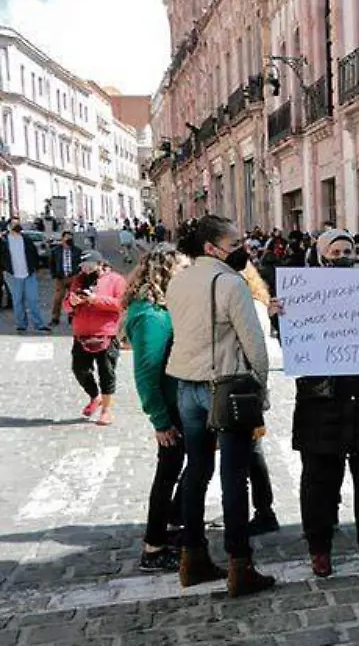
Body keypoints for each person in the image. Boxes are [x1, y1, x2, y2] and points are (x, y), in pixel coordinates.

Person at [166, 215, 274, 597]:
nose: (241, 248)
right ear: (212, 248)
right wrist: (260, 390)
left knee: (196, 470)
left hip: (186, 385)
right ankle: (239, 565)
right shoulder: (230, 282)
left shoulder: (177, 281)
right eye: (234, 242)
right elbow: (255, 346)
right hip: (226, 386)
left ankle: (191, 557)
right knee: (234, 475)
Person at [294, 229, 359, 576]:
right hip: (322, 401)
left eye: (347, 250)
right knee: (320, 480)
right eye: (335, 251)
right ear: (322, 255)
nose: (342, 256)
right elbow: (296, 341)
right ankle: (319, 548)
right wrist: (283, 313)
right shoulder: (304, 291)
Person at [124, 244, 191, 572]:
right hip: (170, 408)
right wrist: (160, 420)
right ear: (166, 272)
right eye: (182, 269)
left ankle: (172, 524)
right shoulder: (150, 315)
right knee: (168, 472)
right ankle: (153, 546)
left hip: (179, 402)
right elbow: (146, 374)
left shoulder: (163, 308)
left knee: (181, 466)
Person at [229, 263, 282, 536]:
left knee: (249, 451)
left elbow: (254, 351)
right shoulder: (253, 303)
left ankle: (263, 510)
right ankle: (263, 509)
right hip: (242, 385)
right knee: (250, 451)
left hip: (244, 386)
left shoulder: (251, 306)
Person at [64, 252, 127, 425]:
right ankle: (95, 396)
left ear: (99, 263)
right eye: (83, 266)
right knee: (79, 370)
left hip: (105, 334)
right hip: (81, 334)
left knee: (107, 373)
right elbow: (66, 305)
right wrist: (72, 302)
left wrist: (95, 300)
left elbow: (121, 304)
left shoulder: (115, 280)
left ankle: (107, 410)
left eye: (89, 265)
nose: (85, 269)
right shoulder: (78, 279)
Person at [2, 217, 51, 333]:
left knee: (33, 300)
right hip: (12, 275)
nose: (16, 226)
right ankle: (21, 325)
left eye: (18, 223)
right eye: (14, 224)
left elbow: (34, 254)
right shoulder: (4, 241)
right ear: (9, 226)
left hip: (29, 274)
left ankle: (39, 324)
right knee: (17, 301)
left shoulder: (26, 239)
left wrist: (34, 267)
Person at [49, 231, 84, 327]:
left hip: (73, 277)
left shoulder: (77, 251)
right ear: (62, 239)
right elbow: (51, 263)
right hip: (61, 277)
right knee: (57, 298)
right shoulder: (56, 251)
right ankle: (55, 318)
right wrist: (54, 274)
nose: (69, 240)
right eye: (67, 238)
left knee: (73, 298)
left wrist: (79, 275)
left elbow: (81, 264)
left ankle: (72, 316)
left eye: (71, 238)